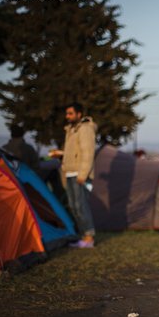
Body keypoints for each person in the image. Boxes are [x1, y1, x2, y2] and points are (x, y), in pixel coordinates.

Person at [51, 102, 98, 249]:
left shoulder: (85, 129)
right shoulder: (71, 130)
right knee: (73, 206)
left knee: (81, 205)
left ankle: (89, 237)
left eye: (70, 113)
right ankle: (84, 236)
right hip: (70, 172)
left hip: (80, 173)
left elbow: (88, 152)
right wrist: (61, 154)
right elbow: (74, 152)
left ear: (79, 114)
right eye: (67, 114)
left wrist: (83, 174)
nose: (68, 116)